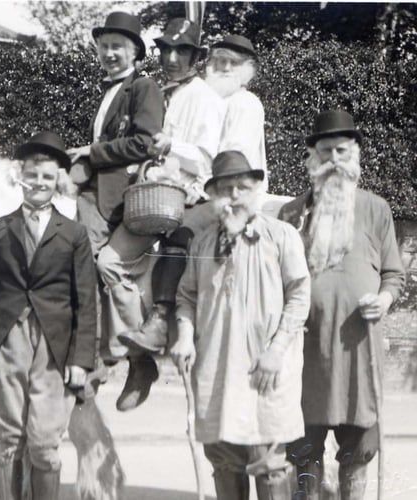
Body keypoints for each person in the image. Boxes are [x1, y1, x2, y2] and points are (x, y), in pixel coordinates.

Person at [170, 150, 311, 499]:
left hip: (267, 369)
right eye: (226, 188)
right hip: (217, 369)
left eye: (242, 187)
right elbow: (186, 296)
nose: (234, 196)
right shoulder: (202, 243)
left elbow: (300, 296)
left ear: (257, 190)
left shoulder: (281, 236)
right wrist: (185, 336)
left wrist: (277, 351)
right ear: (213, 195)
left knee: (270, 463)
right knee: (224, 459)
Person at [280, 110, 405, 499]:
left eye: (341, 151)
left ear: (355, 157)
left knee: (357, 449)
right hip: (306, 351)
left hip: (358, 349)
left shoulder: (376, 208)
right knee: (304, 448)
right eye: (326, 151)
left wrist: (383, 300)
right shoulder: (291, 214)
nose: (334, 159)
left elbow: (393, 275)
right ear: (312, 159)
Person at [0, 131, 97, 500]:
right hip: (8, 340)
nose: (39, 183)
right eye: (32, 175)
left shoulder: (74, 234)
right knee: (10, 439)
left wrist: (81, 359)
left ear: (57, 181)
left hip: (54, 347)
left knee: (43, 443)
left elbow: (85, 301)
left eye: (47, 176)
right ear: (20, 177)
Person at [114, 17, 226, 410]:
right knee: (108, 259)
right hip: (156, 193)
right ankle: (137, 360)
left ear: (197, 57)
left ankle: (162, 318)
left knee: (181, 233)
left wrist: (169, 146)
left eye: (183, 52)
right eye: (167, 50)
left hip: (195, 194)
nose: (173, 58)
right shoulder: (161, 92)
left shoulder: (207, 99)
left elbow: (208, 157)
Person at [64, 11, 164, 411]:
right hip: (91, 191)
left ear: (135, 52)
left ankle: (130, 360)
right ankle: (95, 360)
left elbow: (144, 143)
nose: (109, 53)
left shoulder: (144, 88)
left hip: (122, 198)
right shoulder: (106, 92)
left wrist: (92, 152)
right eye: (104, 46)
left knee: (100, 264)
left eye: (117, 47)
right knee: (75, 265)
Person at [205, 34, 268, 191]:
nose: (226, 68)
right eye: (222, 61)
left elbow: (233, 156)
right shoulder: (213, 101)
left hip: (235, 189)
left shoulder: (245, 103)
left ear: (247, 69)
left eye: (234, 63)